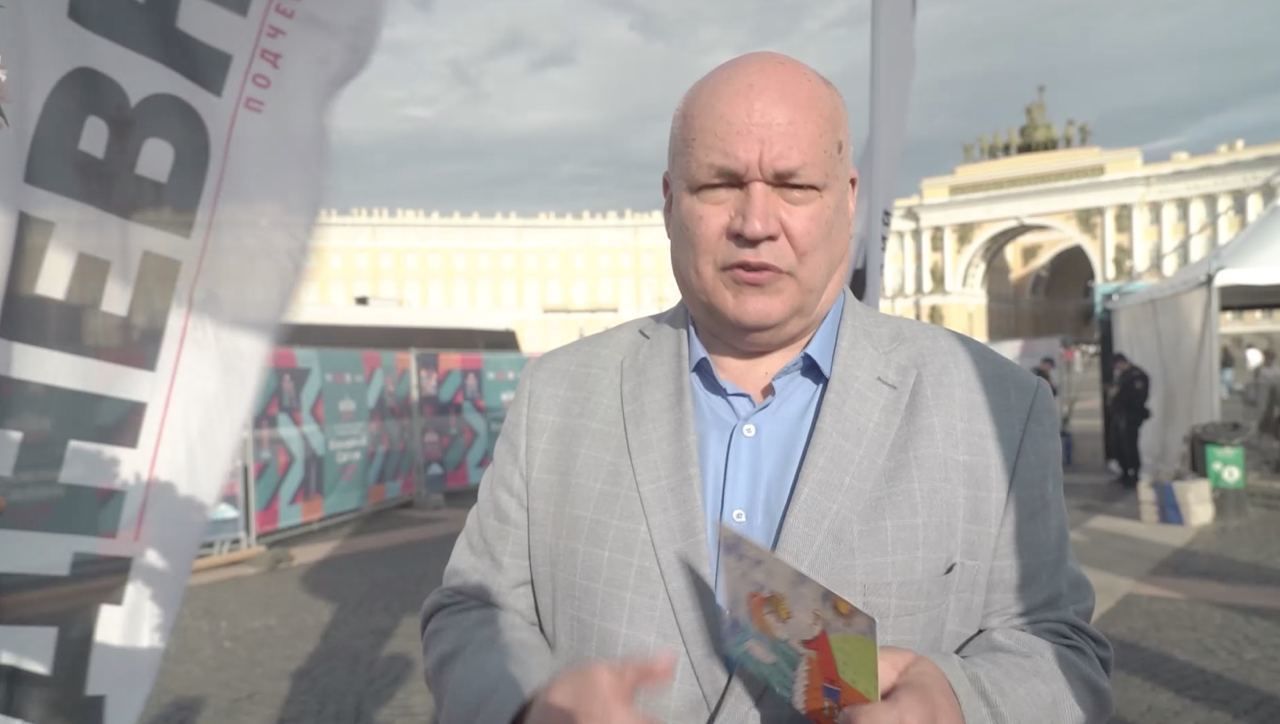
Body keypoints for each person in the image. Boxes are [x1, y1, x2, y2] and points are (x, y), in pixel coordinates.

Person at [421, 52, 1111, 724]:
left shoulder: (998, 408)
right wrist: (530, 704)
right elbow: (473, 609)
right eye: (718, 185)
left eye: (793, 186)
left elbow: (1059, 647)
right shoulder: (557, 396)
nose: (755, 224)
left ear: (848, 199)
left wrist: (961, 702)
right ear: (669, 202)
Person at [1108, 353, 1150, 486]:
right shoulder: (1123, 375)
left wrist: (1119, 396)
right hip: (1120, 414)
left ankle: (1134, 474)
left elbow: (1138, 397)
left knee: (1130, 445)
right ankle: (1124, 472)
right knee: (1118, 445)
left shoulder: (1137, 375)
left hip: (1131, 416)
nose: (1116, 369)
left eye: (1117, 365)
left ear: (1121, 362)